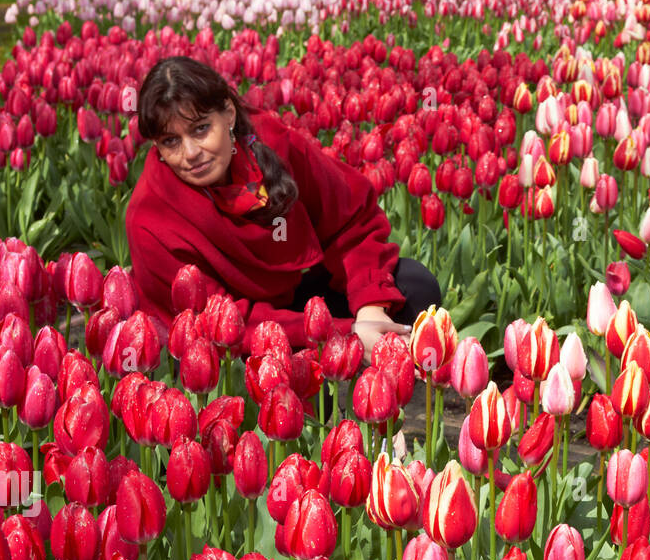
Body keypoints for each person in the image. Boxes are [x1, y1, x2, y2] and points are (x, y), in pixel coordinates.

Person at [126, 57, 441, 361]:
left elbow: (352, 220)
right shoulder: (150, 217)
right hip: (228, 337)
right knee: (251, 367)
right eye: (171, 141)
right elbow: (217, 320)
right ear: (157, 147)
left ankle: (368, 378)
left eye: (200, 129)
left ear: (229, 115)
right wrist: (343, 333)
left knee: (413, 284)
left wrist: (370, 308)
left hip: (290, 305)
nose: (191, 153)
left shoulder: (273, 143)